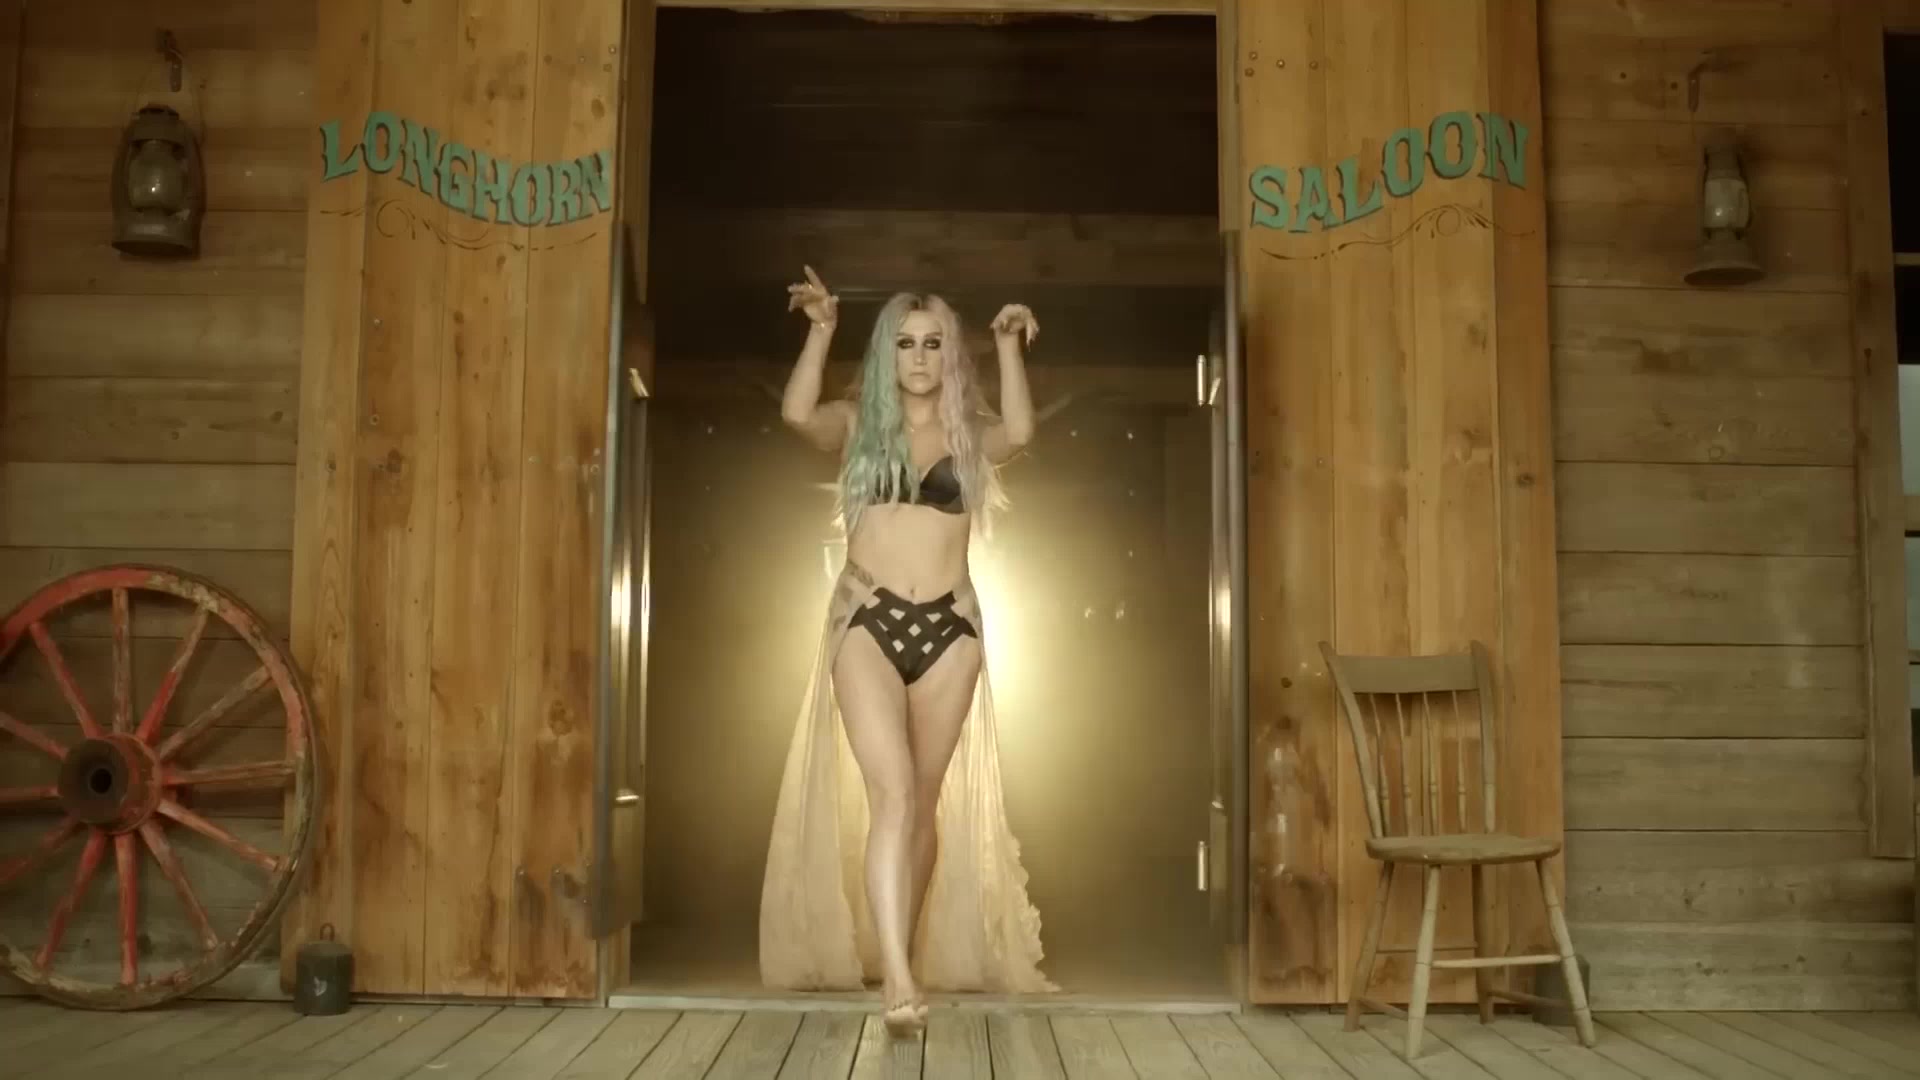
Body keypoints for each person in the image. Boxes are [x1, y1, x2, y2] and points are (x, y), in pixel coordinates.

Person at [758, 266, 1057, 1035]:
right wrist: (822, 330)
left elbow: (1022, 433)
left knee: (921, 803)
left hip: (951, 627)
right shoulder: (858, 425)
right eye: (904, 343)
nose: (918, 357)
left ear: (950, 355)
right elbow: (796, 414)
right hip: (867, 616)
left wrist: (1007, 347)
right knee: (891, 796)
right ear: (886, 355)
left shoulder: (969, 437)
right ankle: (896, 979)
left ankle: (903, 956)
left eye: (932, 344)